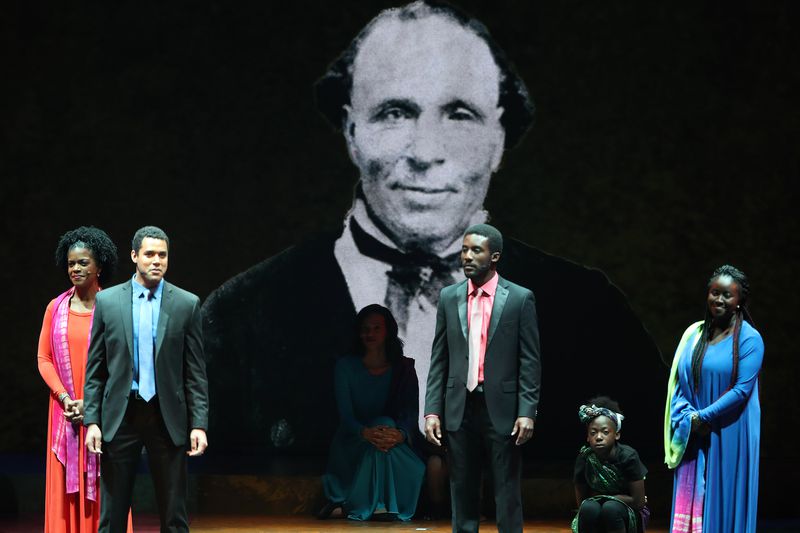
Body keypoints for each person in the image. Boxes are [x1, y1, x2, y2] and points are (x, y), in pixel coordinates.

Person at [202, 0, 662, 464]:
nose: (426, 151)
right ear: (351, 130)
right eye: (395, 113)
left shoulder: (591, 315)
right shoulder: (239, 318)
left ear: (498, 139)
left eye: (459, 114)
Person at [83, 226, 209, 533]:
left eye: (162, 255)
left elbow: (195, 372)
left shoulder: (186, 304)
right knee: (112, 515)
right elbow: (95, 369)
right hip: (121, 417)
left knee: (174, 515)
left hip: (167, 418)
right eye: (150, 254)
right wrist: (93, 421)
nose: (157, 261)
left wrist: (199, 424)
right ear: (134, 256)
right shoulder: (109, 302)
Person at [424, 223, 540, 533]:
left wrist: (527, 411)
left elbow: (530, 360)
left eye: (476, 250)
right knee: (461, 487)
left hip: (500, 406)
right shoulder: (450, 297)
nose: (467, 256)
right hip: (459, 405)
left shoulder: (518, 298)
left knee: (506, 489)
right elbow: (440, 359)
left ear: (495, 256)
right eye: (464, 249)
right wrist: (432, 410)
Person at [37, 226, 132, 533]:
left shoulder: (116, 307)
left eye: (82, 263)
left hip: (104, 415)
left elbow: (124, 364)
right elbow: (44, 359)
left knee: (108, 490)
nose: (75, 269)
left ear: (99, 265)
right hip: (64, 415)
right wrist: (65, 397)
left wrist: (91, 403)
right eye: (70, 263)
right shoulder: (56, 307)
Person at [664, 264, 763, 532]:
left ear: (739, 301)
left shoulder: (750, 340)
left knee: (724, 498)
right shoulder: (694, 335)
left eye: (727, 295)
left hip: (731, 429)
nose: (719, 299)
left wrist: (701, 417)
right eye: (714, 293)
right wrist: (689, 419)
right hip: (696, 431)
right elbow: (680, 383)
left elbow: (742, 391)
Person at [318, 304, 424, 521]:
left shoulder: (403, 368)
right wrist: (366, 433)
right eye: (365, 329)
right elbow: (346, 417)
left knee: (385, 426)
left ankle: (358, 505)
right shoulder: (345, 367)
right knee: (381, 432)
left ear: (388, 332)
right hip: (354, 441)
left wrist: (400, 435)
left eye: (376, 328)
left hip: (391, 439)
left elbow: (409, 413)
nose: (370, 333)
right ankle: (379, 503)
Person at [572, 397, 648, 533]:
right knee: (588, 508)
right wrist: (600, 502)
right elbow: (582, 502)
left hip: (626, 511)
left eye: (605, 432)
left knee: (611, 508)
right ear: (588, 437)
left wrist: (608, 499)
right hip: (597, 509)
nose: (599, 437)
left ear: (616, 434)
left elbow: (638, 502)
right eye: (593, 433)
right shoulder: (585, 458)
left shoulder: (628, 456)